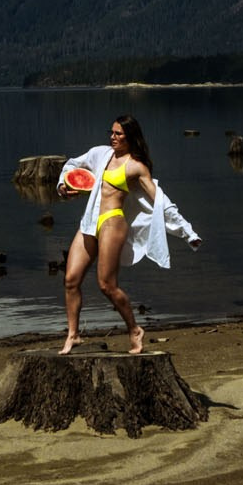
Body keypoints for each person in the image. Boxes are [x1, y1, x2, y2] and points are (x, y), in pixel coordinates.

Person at [58, 114, 201, 355]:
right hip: (89, 222)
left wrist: (187, 232)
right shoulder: (99, 154)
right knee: (71, 279)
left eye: (118, 134)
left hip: (113, 222)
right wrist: (63, 186)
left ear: (131, 137)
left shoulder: (136, 166)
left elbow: (161, 202)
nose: (112, 137)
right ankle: (73, 334)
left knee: (106, 285)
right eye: (111, 132)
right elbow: (72, 165)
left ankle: (134, 329)